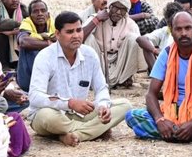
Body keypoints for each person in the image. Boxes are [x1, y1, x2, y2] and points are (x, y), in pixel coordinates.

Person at [125, 10, 192, 142]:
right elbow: (151, 94)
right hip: (171, 113)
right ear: (172, 31)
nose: (183, 33)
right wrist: (160, 120)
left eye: (188, 28)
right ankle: (190, 135)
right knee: (132, 116)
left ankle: (181, 133)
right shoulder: (167, 53)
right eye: (178, 29)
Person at [29, 11, 130, 145]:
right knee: (47, 117)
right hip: (52, 114)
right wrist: (69, 103)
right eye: (70, 32)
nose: (76, 36)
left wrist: (102, 106)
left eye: (79, 30)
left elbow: (101, 88)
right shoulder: (45, 56)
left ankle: (74, 135)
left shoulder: (89, 54)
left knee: (125, 105)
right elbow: (35, 96)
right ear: (58, 34)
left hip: (79, 114)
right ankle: (94, 130)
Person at [83, 0, 150, 87]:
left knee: (133, 39)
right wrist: (97, 20)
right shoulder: (97, 17)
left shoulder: (130, 24)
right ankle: (93, 77)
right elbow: (80, 37)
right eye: (116, 8)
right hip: (99, 59)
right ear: (110, 6)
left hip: (119, 62)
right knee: (89, 38)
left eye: (123, 10)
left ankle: (125, 77)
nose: (118, 12)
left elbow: (138, 45)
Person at [15, 0, 56, 90]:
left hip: (52, 76)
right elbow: (24, 42)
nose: (40, 14)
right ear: (30, 16)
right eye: (35, 11)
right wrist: (50, 43)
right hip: (28, 80)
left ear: (48, 14)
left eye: (43, 11)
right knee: (31, 47)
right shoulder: (26, 23)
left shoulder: (54, 24)